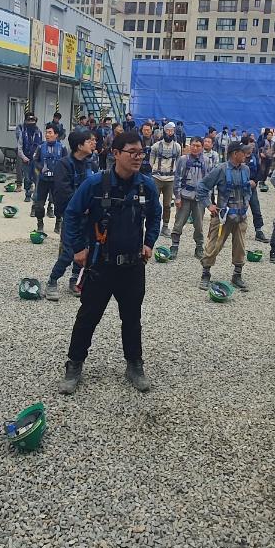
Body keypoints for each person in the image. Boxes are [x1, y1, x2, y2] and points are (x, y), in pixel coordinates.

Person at [58, 131, 163, 395]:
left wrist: (149, 243)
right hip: (100, 265)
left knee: (132, 318)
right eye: (132, 152)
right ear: (116, 153)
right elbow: (71, 214)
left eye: (141, 153)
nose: (138, 157)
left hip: (132, 266)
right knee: (88, 316)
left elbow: (155, 216)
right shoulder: (95, 184)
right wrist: (77, 248)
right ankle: (74, 364)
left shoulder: (146, 186)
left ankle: (134, 364)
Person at [45, 128, 99, 301]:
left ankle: (75, 279)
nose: (93, 143)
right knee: (69, 251)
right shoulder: (64, 164)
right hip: (73, 215)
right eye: (89, 141)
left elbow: (96, 188)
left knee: (86, 249)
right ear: (79, 146)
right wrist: (81, 206)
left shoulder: (91, 164)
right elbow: (62, 192)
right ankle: (52, 281)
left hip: (89, 216)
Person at [198, 142, 255, 293]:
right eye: (243, 152)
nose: (246, 155)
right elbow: (202, 187)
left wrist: (248, 197)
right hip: (223, 217)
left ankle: (237, 275)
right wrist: (209, 205)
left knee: (240, 246)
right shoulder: (221, 169)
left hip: (241, 216)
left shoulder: (246, 169)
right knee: (214, 245)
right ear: (235, 154)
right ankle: (206, 274)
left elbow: (247, 190)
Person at [171, 137, 212, 258]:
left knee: (199, 225)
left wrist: (208, 200)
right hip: (184, 196)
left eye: (198, 146)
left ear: (202, 147)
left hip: (199, 198)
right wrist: (177, 197)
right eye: (193, 145)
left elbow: (209, 181)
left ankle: (199, 247)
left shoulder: (206, 161)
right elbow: (177, 178)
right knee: (179, 223)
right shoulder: (183, 160)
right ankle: (174, 246)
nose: (195, 148)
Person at [31, 123, 67, 234]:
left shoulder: (62, 148)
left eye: (50, 132)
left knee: (58, 203)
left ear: (56, 135)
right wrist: (40, 168)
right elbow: (35, 160)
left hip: (56, 181)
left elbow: (66, 163)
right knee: (39, 204)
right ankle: (40, 223)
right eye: (46, 132)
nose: (47, 135)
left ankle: (58, 222)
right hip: (43, 180)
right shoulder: (40, 147)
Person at [149, 122, 183, 214]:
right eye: (167, 131)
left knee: (167, 205)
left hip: (170, 179)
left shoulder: (177, 147)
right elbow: (151, 159)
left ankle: (165, 222)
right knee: (153, 202)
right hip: (157, 178)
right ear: (164, 132)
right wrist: (155, 169)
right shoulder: (156, 146)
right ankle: (153, 220)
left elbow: (179, 162)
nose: (170, 133)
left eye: (172, 131)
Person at [15, 112, 43, 203]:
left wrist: (39, 157)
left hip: (36, 160)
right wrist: (23, 157)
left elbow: (41, 146)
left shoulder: (39, 133)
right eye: (29, 120)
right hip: (26, 160)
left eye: (32, 120)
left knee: (37, 178)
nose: (31, 122)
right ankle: (27, 194)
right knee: (27, 178)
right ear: (26, 121)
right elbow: (19, 147)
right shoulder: (23, 133)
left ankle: (36, 195)